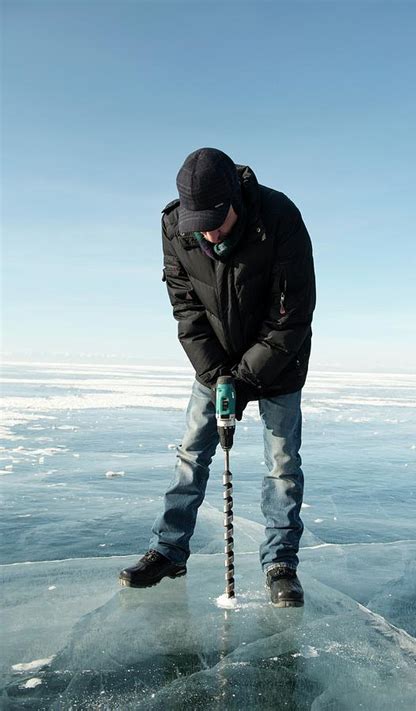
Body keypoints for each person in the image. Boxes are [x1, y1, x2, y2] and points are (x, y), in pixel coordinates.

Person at [119, 147, 316, 607]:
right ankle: (169, 550)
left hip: (280, 360)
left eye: (215, 218)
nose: (207, 231)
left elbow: (291, 315)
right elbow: (186, 308)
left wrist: (245, 380)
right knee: (191, 453)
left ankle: (280, 563)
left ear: (235, 200)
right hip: (214, 362)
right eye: (197, 221)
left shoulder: (279, 216)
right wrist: (216, 372)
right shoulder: (174, 227)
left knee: (282, 465)